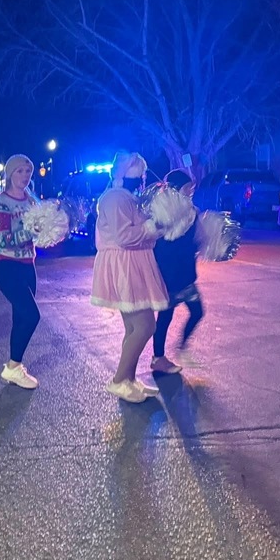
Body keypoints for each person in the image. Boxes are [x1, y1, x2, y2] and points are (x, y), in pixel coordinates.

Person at [90, 152, 169, 403]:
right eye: (139, 173)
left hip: (133, 263)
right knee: (145, 325)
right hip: (125, 266)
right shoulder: (116, 198)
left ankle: (128, 379)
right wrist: (152, 228)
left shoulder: (127, 197)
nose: (143, 178)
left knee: (134, 327)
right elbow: (124, 236)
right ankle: (118, 380)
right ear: (126, 174)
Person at [0, 154, 41, 389]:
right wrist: (31, 232)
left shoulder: (32, 201)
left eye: (28, 171)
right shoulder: (1, 203)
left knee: (20, 317)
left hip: (28, 264)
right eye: (20, 171)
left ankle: (15, 366)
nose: (25, 175)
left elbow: (39, 232)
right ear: (10, 174)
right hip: (6, 265)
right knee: (32, 315)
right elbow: (2, 240)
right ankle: (13, 366)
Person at [149, 170, 204, 373]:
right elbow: (158, 245)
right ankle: (158, 358)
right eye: (187, 187)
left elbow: (194, 241)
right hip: (169, 276)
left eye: (191, 187)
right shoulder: (163, 212)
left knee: (197, 312)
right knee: (165, 317)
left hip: (186, 275)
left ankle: (181, 347)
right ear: (177, 188)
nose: (191, 191)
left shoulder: (192, 213)